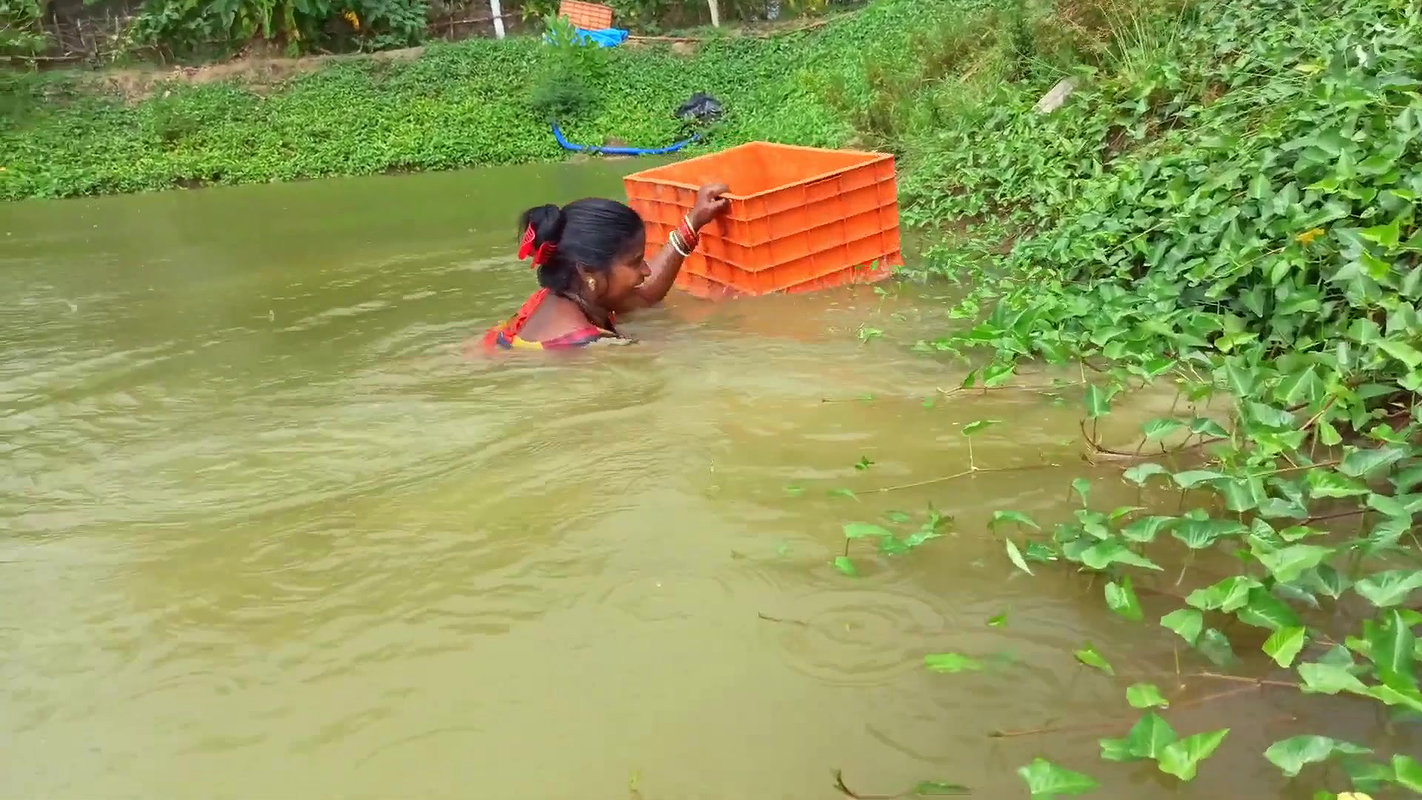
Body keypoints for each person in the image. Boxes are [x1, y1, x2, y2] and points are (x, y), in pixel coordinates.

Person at [479, 183, 730, 351]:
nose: (646, 270)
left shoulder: (561, 296)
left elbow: (644, 297)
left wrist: (693, 223)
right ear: (588, 271)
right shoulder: (593, 350)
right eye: (634, 262)